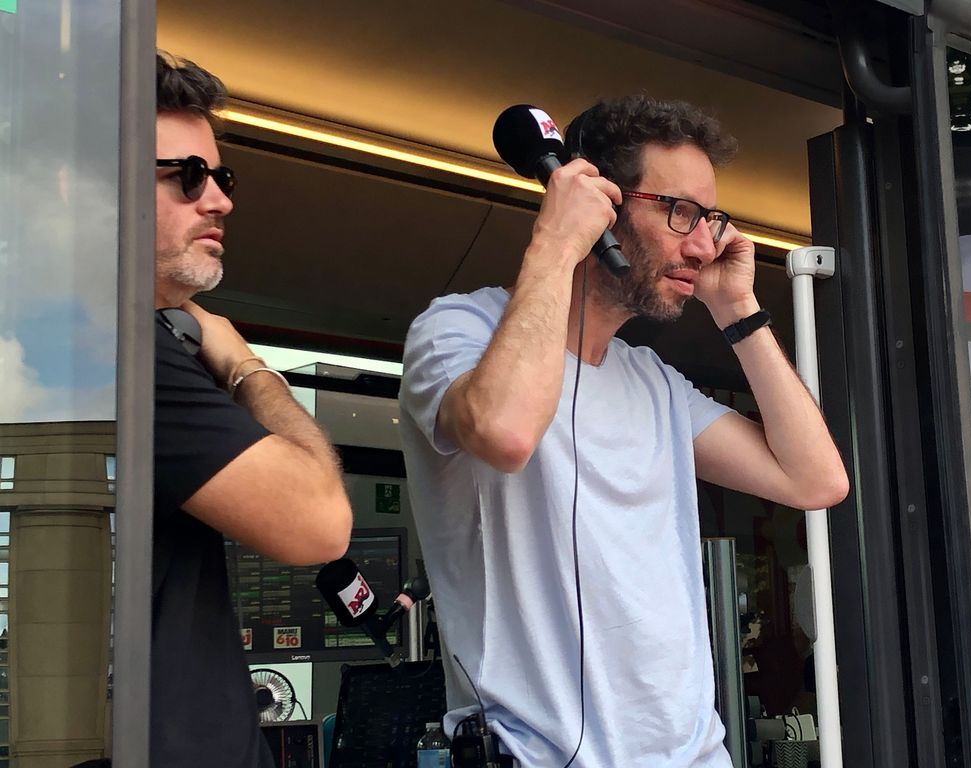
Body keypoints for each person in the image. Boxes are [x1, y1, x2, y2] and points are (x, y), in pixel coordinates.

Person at [399, 96, 848, 766]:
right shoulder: (460, 330)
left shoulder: (655, 383)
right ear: (602, 203)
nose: (704, 243)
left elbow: (816, 480)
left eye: (712, 218)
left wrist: (739, 309)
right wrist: (555, 242)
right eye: (682, 213)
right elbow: (504, 431)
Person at [152, 52, 352, 767]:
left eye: (221, 177)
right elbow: (318, 521)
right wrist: (244, 366)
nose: (220, 200)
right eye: (186, 176)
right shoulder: (118, 349)